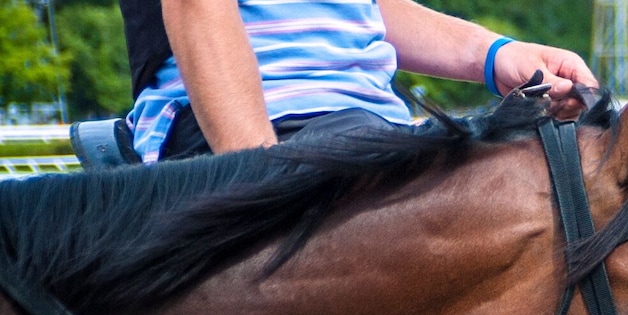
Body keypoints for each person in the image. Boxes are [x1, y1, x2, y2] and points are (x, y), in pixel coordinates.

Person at [118, 0, 599, 163]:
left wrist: (495, 55)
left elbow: (368, 11)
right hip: (255, 131)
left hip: (368, 128)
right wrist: (259, 174)